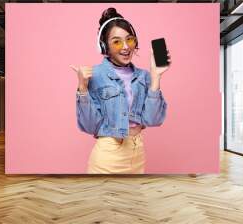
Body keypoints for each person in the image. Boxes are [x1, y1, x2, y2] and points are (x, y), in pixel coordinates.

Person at [70, 7, 171, 174]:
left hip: (137, 153)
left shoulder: (144, 77)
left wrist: (156, 78)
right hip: (108, 156)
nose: (125, 47)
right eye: (117, 42)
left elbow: (153, 120)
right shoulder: (95, 75)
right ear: (104, 47)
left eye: (129, 40)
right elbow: (89, 126)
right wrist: (82, 88)